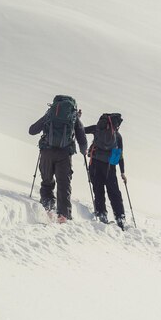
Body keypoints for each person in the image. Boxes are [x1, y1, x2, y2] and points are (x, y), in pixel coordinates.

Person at [29, 95, 87, 223]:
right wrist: (84, 151)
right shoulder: (73, 116)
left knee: (47, 181)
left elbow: (32, 130)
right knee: (63, 184)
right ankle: (63, 215)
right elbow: (81, 135)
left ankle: (48, 208)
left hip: (47, 152)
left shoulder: (50, 114)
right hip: (65, 154)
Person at [85, 113, 127, 230]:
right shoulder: (117, 136)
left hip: (95, 163)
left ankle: (101, 213)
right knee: (114, 192)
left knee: (98, 189)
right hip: (110, 167)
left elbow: (82, 130)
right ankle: (120, 217)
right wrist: (122, 172)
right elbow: (120, 155)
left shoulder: (97, 129)